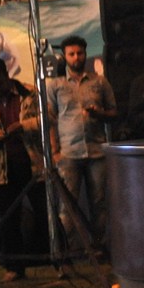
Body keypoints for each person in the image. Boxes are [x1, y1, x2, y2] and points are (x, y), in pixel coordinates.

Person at [46, 36, 118, 255]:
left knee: (99, 203)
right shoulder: (55, 85)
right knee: (67, 205)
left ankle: (98, 247)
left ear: (85, 54)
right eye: (71, 54)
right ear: (64, 57)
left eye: (80, 53)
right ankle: (68, 250)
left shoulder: (99, 82)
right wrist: (55, 151)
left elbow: (114, 113)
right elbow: (50, 120)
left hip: (96, 151)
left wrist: (99, 113)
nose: (76, 57)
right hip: (68, 153)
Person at [0, 58, 44, 281]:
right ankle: (14, 267)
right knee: (9, 217)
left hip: (32, 161)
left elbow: (47, 118)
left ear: (7, 75)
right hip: (2, 165)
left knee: (43, 211)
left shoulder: (29, 92)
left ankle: (57, 260)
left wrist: (23, 126)